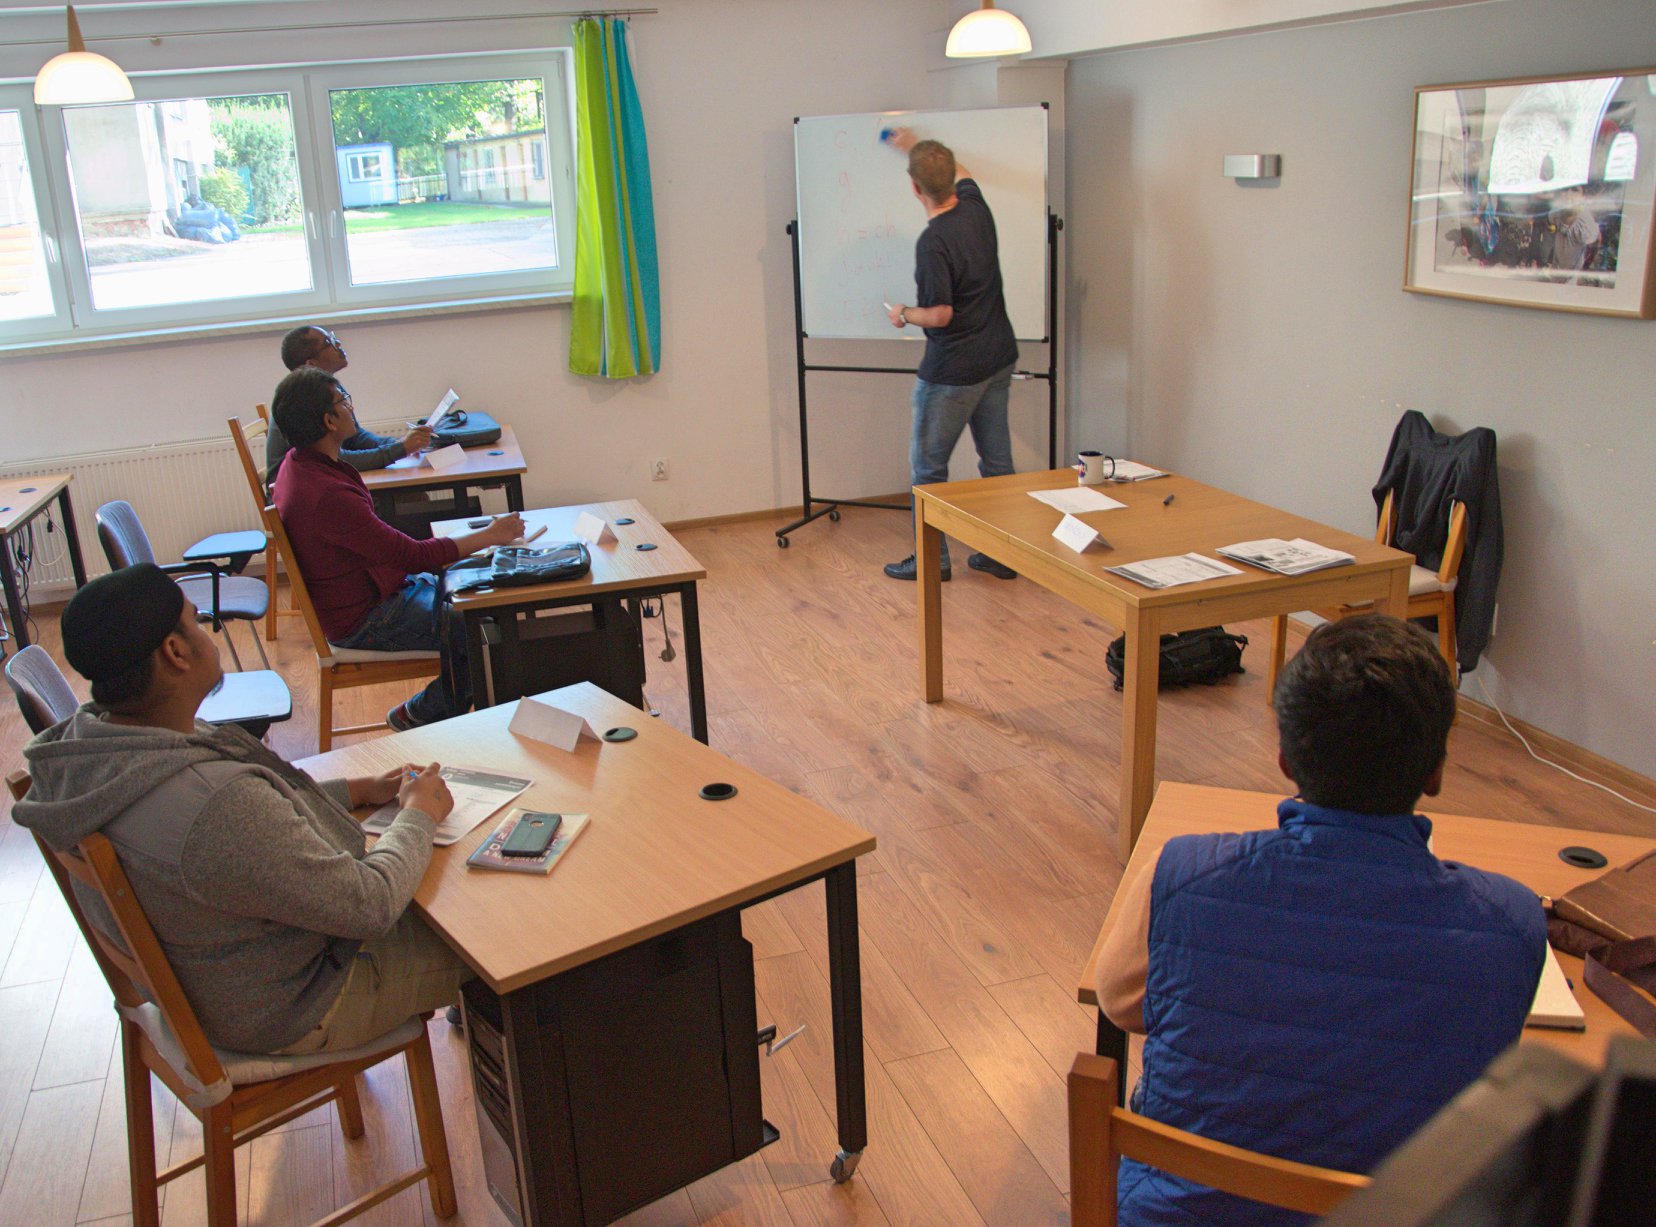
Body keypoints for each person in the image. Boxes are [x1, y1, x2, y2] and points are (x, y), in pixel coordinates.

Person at [1094, 614, 1546, 1227]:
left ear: (1285, 758)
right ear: (1437, 769)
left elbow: (1120, 1004)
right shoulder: (1512, 922)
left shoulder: (1178, 875)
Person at [14, 563, 472, 1055]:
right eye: (196, 620)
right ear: (175, 652)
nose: (208, 632)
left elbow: (258, 827)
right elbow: (371, 904)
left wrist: (357, 790)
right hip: (296, 1004)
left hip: (223, 984)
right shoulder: (214, 805)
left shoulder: (106, 745)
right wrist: (419, 814)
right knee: (497, 944)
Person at [271, 365, 524, 730]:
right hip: (370, 616)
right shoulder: (327, 495)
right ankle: (425, 714)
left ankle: (435, 714)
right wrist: (491, 534)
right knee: (487, 632)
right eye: (344, 400)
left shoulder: (298, 464)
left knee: (486, 591)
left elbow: (401, 554)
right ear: (328, 420)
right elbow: (413, 556)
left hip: (382, 590)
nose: (351, 407)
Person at [881, 128, 1019, 583]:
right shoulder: (976, 207)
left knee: (928, 468)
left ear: (914, 188)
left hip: (953, 373)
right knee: (997, 464)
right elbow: (964, 171)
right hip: (997, 358)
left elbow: (940, 314)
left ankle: (931, 561)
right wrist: (915, 145)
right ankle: (1003, 555)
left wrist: (903, 313)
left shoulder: (933, 241)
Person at [264, 325, 433, 486]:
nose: (338, 343)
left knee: (413, 496)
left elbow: (356, 438)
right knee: (408, 496)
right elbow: (336, 460)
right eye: (329, 342)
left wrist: (398, 443)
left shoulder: (328, 387)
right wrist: (399, 449)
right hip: (304, 492)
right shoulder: (302, 401)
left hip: (324, 480)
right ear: (311, 364)